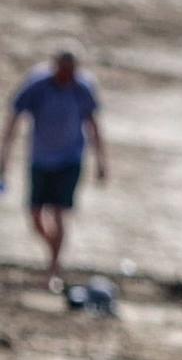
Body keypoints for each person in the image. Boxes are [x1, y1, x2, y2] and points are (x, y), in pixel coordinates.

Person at [0, 50, 106, 288]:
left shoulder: (83, 87)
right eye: (63, 71)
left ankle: (54, 268)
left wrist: (101, 161)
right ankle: (52, 250)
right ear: (55, 67)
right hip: (40, 158)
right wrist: (4, 156)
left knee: (59, 213)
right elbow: (14, 116)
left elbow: (93, 124)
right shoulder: (37, 84)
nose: (67, 76)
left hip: (70, 159)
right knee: (35, 215)